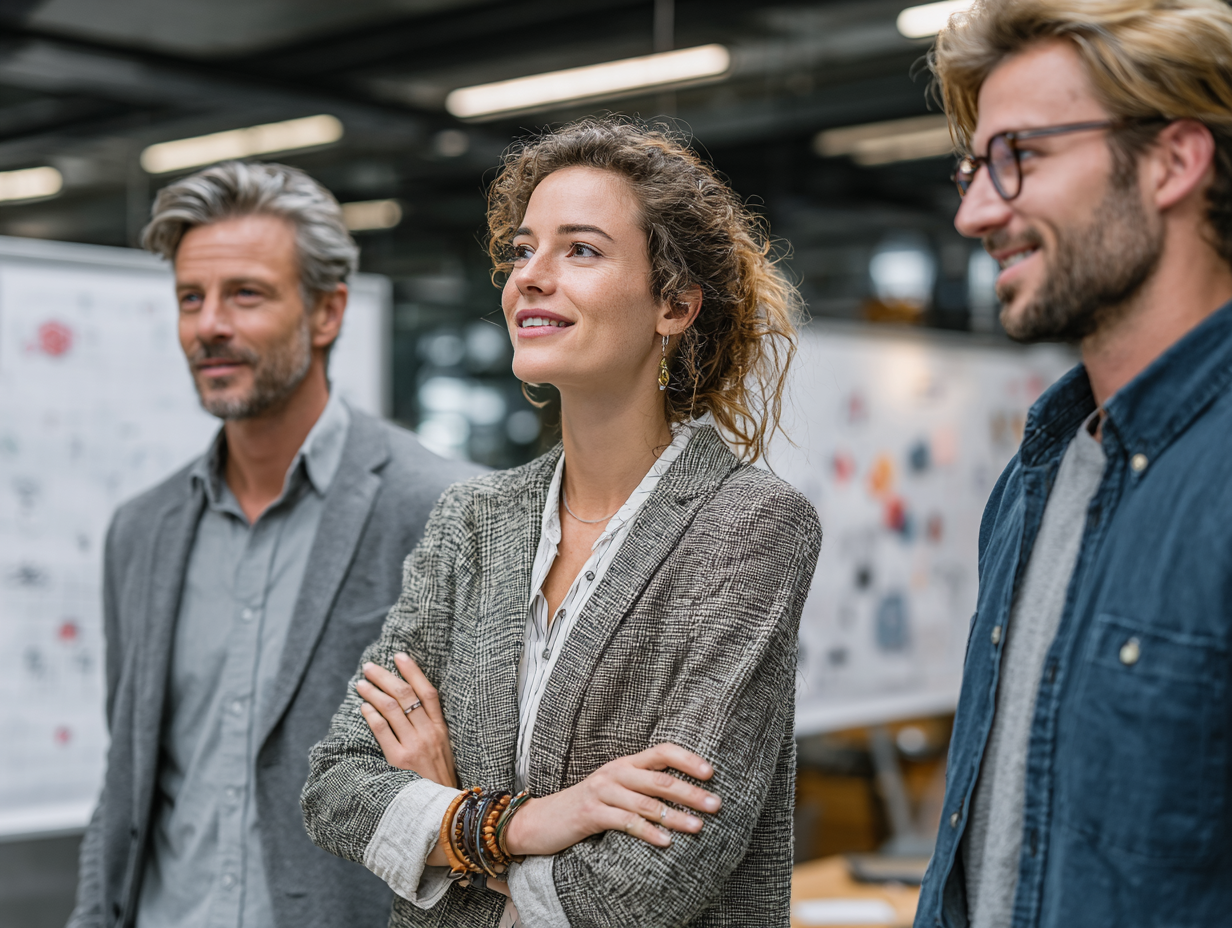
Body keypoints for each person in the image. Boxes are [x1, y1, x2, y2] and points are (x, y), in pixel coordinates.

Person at [301, 116, 822, 928]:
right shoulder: (473, 519)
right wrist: (529, 821)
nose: (530, 277)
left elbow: (650, 882)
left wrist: (447, 818)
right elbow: (336, 786)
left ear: (675, 305)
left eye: (580, 249)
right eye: (521, 250)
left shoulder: (750, 525)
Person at [67, 161, 479, 928]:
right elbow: (127, 780)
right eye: (191, 298)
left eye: (244, 294)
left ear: (327, 313)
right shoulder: (142, 531)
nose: (209, 325)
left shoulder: (443, 509)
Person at [914, 2, 1232, 926]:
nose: (976, 211)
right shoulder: (1033, 483)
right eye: (974, 169)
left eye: (1022, 157)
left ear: (1174, 160)